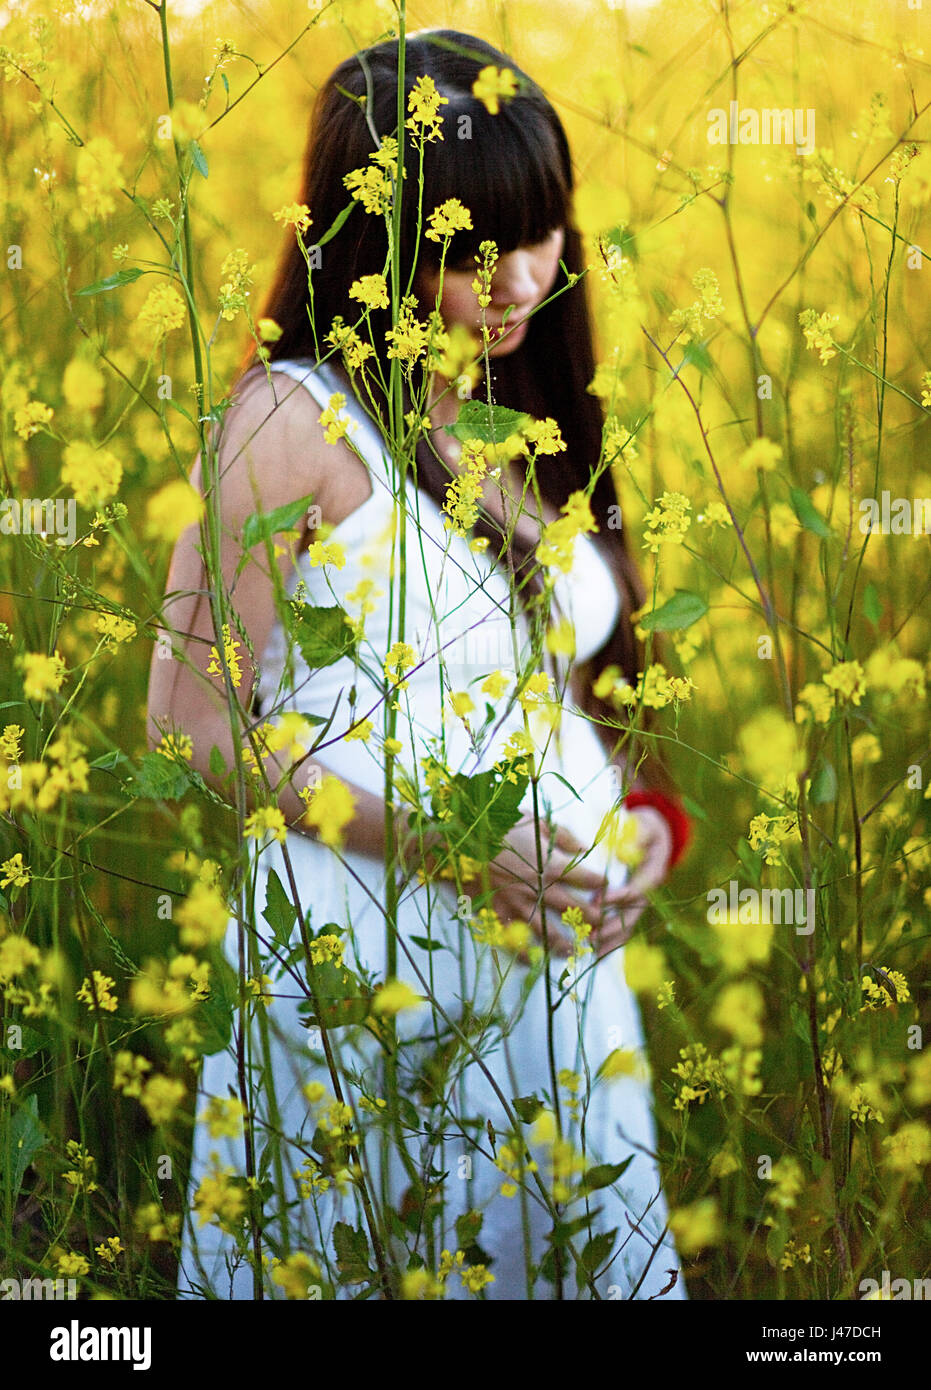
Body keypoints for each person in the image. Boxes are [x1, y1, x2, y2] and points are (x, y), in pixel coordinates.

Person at [149, 27, 689, 1301]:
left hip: (557, 989)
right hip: (360, 990)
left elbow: (582, 700)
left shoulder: (526, 412)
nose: (514, 280)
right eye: (464, 250)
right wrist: (459, 849)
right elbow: (190, 724)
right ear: (370, 240)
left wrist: (643, 835)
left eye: (540, 234)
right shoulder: (291, 421)